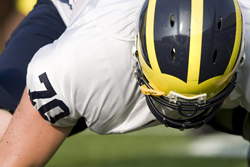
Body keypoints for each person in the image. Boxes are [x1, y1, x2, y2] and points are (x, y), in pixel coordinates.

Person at [0, 0, 249, 166]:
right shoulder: (81, 58)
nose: (182, 114)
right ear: (137, 53)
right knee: (5, 126)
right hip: (72, 14)